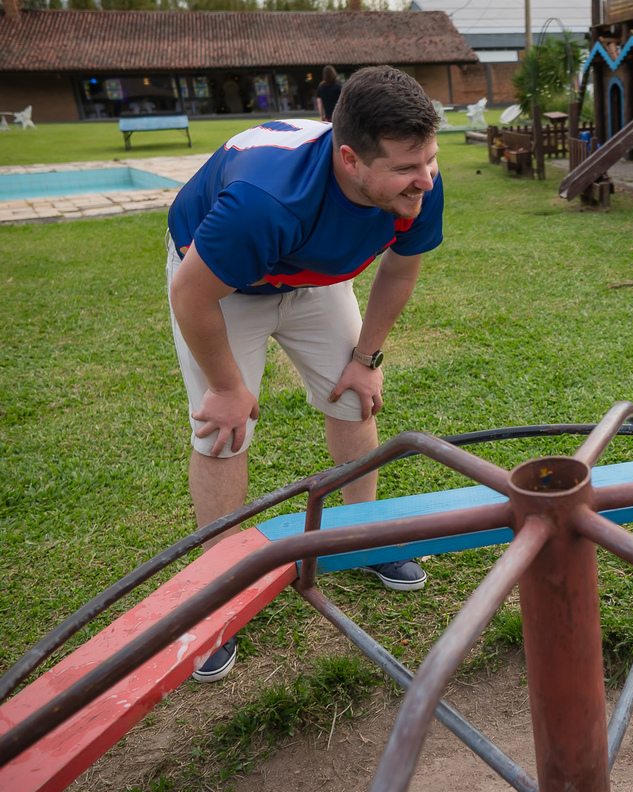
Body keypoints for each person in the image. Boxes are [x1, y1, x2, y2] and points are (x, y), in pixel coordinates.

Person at [166, 65, 443, 683]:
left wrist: (366, 359)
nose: (424, 177)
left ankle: (360, 535)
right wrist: (227, 388)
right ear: (350, 158)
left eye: (428, 158)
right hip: (224, 285)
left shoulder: (418, 179)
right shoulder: (266, 200)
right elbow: (192, 295)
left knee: (354, 400)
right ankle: (218, 588)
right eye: (405, 166)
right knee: (222, 428)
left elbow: (399, 269)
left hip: (314, 280)